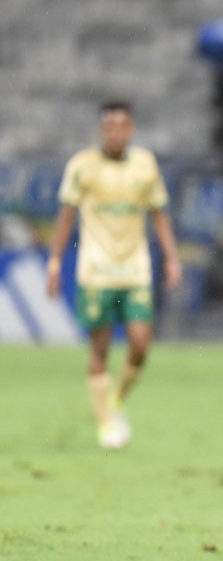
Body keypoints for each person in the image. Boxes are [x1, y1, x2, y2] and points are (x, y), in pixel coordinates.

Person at [46, 100, 182, 450]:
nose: (116, 133)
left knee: (140, 344)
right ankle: (105, 422)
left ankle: (116, 399)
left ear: (131, 130)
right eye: (110, 127)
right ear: (102, 130)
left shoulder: (145, 165)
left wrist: (171, 257)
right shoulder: (82, 166)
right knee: (100, 348)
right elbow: (66, 216)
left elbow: (159, 213)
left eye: (122, 127)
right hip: (96, 271)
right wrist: (55, 261)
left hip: (135, 270)